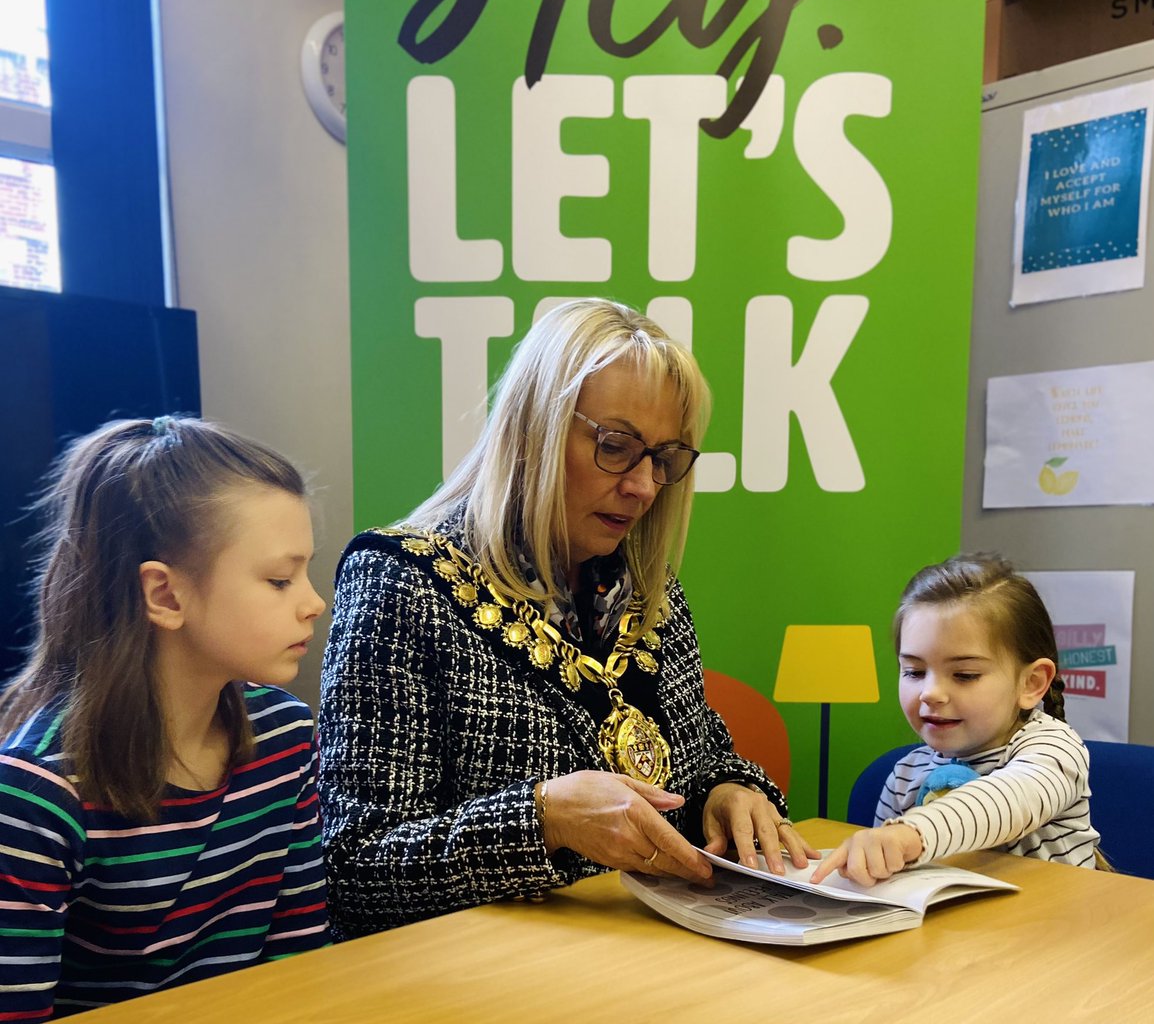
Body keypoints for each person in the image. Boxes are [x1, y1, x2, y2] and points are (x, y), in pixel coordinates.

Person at [319, 298, 811, 936]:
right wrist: (543, 818)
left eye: (663, 459)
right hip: (478, 974)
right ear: (533, 431)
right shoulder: (401, 581)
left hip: (651, 954)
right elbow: (355, 872)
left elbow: (705, 755)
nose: (643, 487)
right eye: (615, 446)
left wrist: (728, 792)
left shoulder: (648, 589)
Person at [0, 417, 331, 1019]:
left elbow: (302, 957)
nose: (314, 603)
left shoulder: (287, 735)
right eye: (279, 580)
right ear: (166, 595)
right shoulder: (37, 792)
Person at [812, 554, 1101, 888]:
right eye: (914, 671)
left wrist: (911, 834)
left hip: (1058, 920)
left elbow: (1009, 799)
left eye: (964, 675)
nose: (930, 693)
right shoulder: (905, 775)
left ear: (1031, 683)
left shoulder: (1055, 749)